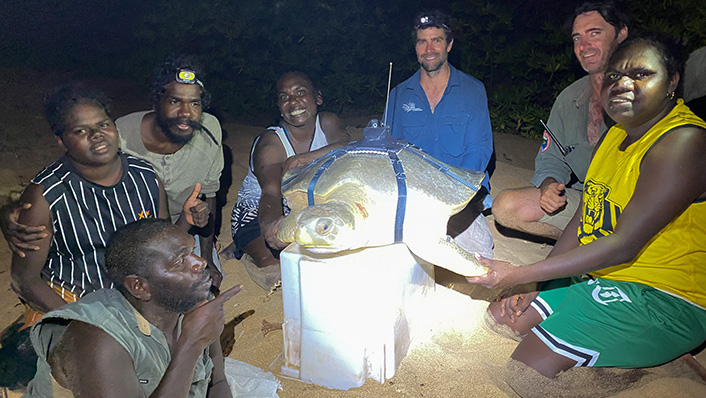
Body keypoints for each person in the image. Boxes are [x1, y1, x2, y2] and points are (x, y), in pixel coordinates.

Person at [467, 36, 706, 392]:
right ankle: (636, 349)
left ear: (672, 81)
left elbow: (624, 245)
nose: (623, 85)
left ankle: (660, 369)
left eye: (641, 74)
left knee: (527, 372)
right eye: (613, 76)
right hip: (608, 278)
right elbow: (584, 218)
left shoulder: (683, 142)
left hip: (665, 296)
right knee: (501, 318)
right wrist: (535, 284)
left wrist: (518, 272)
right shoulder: (616, 134)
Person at [2, 54, 225, 289]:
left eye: (195, 103)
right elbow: (68, 174)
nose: (185, 113)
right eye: (174, 101)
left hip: (171, 233)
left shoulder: (208, 131)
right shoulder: (118, 136)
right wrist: (13, 212)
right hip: (121, 237)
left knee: (197, 293)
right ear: (157, 101)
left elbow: (208, 196)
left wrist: (208, 256)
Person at [10, 84, 206, 329]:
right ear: (61, 140)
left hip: (134, 297)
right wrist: (82, 320)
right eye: (81, 130)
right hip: (71, 301)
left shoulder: (145, 176)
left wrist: (185, 221)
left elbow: (159, 249)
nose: (97, 134)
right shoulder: (46, 195)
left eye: (103, 124)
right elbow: (24, 280)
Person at [25, 218, 241, 397]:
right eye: (180, 261)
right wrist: (191, 343)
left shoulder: (188, 305)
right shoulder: (100, 339)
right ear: (139, 287)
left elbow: (217, 382)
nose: (200, 262)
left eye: (193, 251)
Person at [492, 1, 628, 240]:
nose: (584, 46)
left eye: (594, 33)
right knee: (506, 207)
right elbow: (551, 158)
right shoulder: (569, 99)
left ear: (621, 33)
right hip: (591, 201)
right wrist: (548, 184)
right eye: (577, 38)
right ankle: (586, 248)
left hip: (638, 205)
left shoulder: (643, 92)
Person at [385, 10, 494, 258]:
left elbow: (479, 150)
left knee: (479, 258)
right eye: (422, 41)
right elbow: (387, 152)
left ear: (450, 44)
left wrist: (451, 197)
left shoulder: (473, 89)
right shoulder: (398, 95)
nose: (429, 48)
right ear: (415, 48)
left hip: (458, 199)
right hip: (413, 198)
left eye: (437, 40)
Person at [230, 71, 350, 290]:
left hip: (309, 203)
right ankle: (246, 246)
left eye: (301, 92)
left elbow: (346, 146)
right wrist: (270, 227)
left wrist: (305, 158)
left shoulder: (328, 122)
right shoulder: (270, 143)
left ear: (318, 98)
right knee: (279, 266)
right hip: (260, 209)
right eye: (284, 97)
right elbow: (270, 193)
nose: (293, 101)